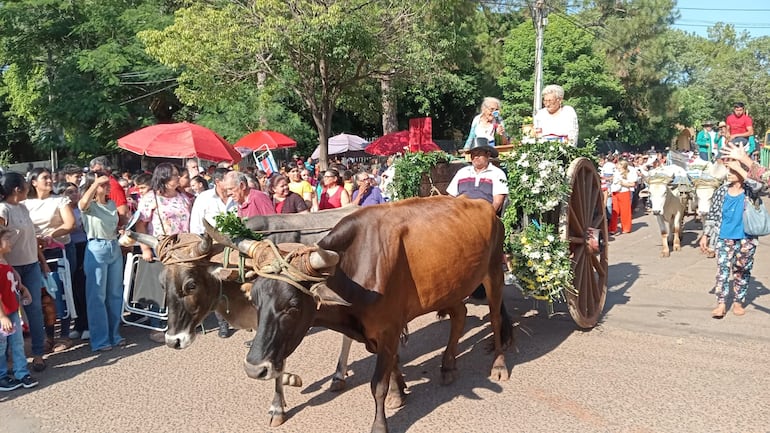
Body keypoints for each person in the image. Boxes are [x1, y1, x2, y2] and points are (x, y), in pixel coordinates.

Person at [135, 163, 193, 343]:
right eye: (174, 175)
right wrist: (144, 247)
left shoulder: (183, 196)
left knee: (180, 285)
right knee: (161, 285)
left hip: (183, 245)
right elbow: (140, 223)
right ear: (165, 178)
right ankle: (157, 323)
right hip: (161, 246)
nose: (178, 178)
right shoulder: (151, 198)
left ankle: (180, 322)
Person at [700, 156, 763, 318]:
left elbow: (759, 183)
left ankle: (738, 302)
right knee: (722, 270)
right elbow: (713, 215)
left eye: (733, 171)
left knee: (742, 270)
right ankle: (721, 304)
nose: (729, 174)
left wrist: (741, 167)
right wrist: (705, 235)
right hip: (724, 237)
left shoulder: (750, 190)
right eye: (729, 170)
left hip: (746, 238)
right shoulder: (721, 191)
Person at [24, 167, 76, 350]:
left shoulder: (60, 200)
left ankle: (64, 335)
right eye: (44, 178)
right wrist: (35, 240)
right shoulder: (25, 203)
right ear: (33, 182)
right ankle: (48, 336)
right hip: (34, 252)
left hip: (58, 250)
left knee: (62, 291)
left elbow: (70, 224)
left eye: (50, 177)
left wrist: (50, 236)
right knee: (44, 295)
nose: (49, 181)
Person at [0, 172, 47, 371]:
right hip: (11, 268)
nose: (29, 188)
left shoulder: (24, 208)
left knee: (35, 309)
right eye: (26, 185)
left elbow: (33, 238)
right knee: (9, 313)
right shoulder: (3, 210)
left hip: (31, 265)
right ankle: (9, 358)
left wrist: (42, 261)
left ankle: (38, 353)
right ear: (17, 189)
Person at [79, 172, 125, 351]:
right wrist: (94, 183)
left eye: (107, 184)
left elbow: (112, 224)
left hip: (113, 245)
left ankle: (114, 334)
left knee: (114, 293)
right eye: (103, 185)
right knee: (97, 296)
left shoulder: (111, 203)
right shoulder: (89, 205)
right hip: (96, 247)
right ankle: (100, 339)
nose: (107, 187)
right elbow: (82, 204)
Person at [189, 168, 236, 338]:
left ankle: (241, 316)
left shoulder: (236, 195)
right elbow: (195, 225)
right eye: (229, 180)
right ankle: (223, 321)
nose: (233, 184)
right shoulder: (204, 198)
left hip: (236, 244)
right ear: (218, 182)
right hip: (213, 246)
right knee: (218, 284)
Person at [0, 228, 38, 391]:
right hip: (3, 313)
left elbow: (13, 280)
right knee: (1, 346)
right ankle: (1, 376)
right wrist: (2, 316)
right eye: (6, 240)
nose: (10, 243)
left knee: (17, 342)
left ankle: (21, 372)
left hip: (13, 310)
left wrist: (22, 289)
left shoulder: (5, 261)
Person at [57, 182, 89, 341]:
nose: (74, 195)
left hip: (83, 246)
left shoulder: (83, 208)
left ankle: (87, 324)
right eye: (69, 192)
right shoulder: (61, 210)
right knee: (72, 288)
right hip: (68, 248)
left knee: (82, 287)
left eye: (75, 192)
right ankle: (78, 324)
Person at [446, 139, 508, 214]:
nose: (475, 157)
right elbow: (450, 197)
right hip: (461, 215)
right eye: (473, 154)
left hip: (484, 215)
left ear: (488, 155)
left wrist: (487, 218)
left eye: (478, 154)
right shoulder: (462, 173)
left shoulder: (497, 173)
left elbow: (498, 202)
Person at [89, 156, 129, 227]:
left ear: (106, 170)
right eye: (92, 172)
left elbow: (123, 212)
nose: (95, 175)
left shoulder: (112, 185)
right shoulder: (93, 184)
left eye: (97, 172)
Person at [609, 159, 638, 235]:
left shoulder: (629, 173)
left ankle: (626, 228)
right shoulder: (616, 172)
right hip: (615, 192)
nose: (617, 166)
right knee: (615, 210)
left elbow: (632, 184)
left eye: (619, 165)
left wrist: (622, 183)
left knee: (625, 211)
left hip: (624, 192)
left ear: (622, 166)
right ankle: (613, 228)